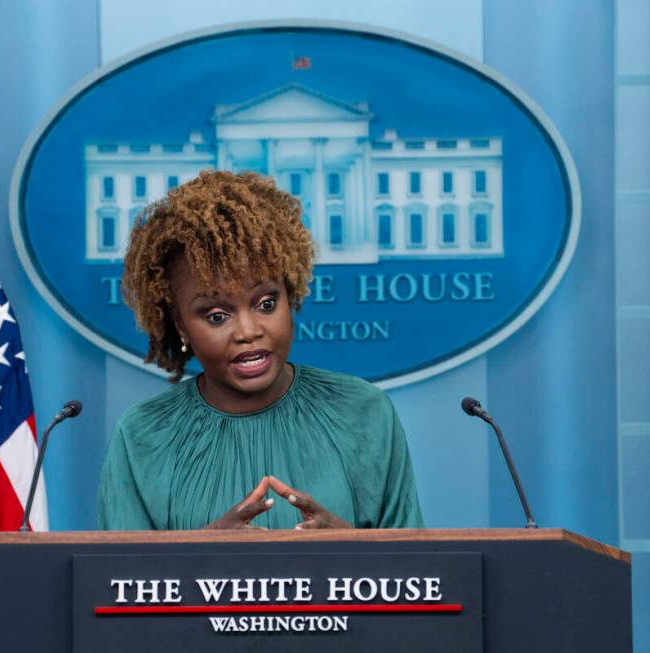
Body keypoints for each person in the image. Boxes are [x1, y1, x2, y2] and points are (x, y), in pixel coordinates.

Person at [97, 170, 424, 530]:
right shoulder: (143, 435)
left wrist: (347, 547)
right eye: (217, 315)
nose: (249, 331)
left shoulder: (364, 413)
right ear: (179, 323)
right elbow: (118, 581)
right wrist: (202, 557)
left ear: (290, 296)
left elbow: (418, 579)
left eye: (266, 304)